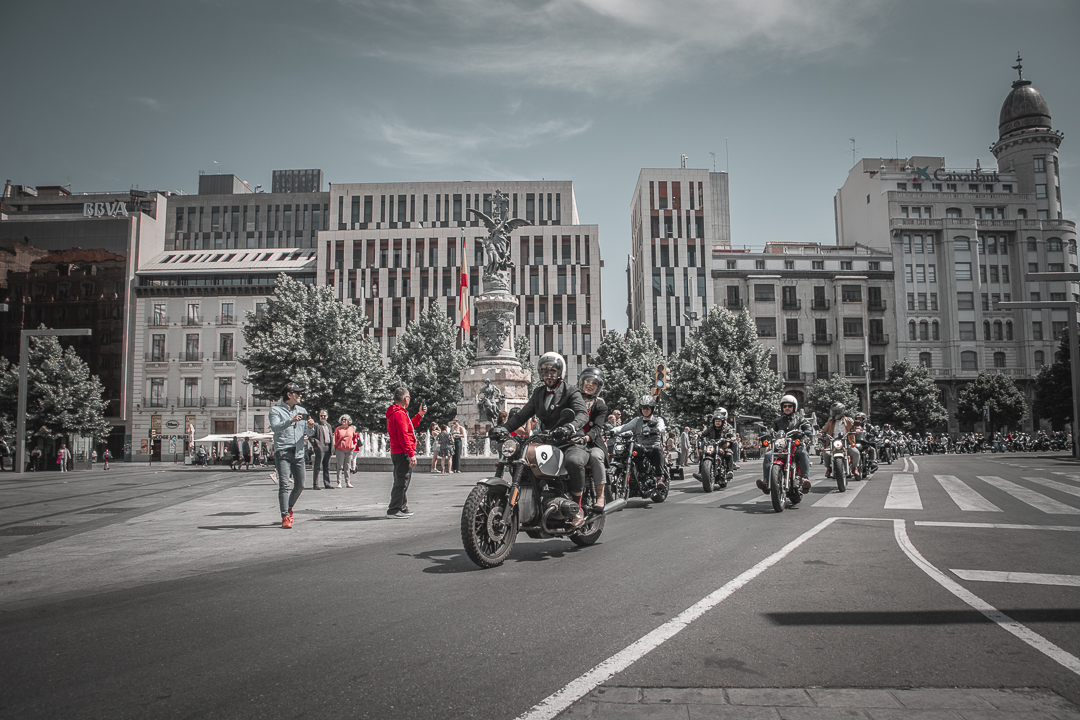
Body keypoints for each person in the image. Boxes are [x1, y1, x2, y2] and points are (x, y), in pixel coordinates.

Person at [492, 352, 590, 527]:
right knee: (524, 460)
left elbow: (582, 414)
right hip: (548, 439)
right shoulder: (538, 393)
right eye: (544, 371)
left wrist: (570, 427)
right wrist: (503, 428)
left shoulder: (571, 391)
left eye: (552, 371)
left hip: (570, 440)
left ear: (560, 372)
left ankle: (579, 507)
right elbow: (521, 416)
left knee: (574, 461)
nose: (548, 375)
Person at [269, 382, 315, 529]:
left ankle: (289, 507)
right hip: (283, 451)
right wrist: (291, 420)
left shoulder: (302, 410)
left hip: (299, 452)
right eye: (298, 393)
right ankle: (285, 516)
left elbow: (309, 434)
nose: (300, 395)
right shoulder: (275, 410)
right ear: (289, 395)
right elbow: (275, 428)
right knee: (284, 484)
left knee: (300, 484)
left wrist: (310, 427)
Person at [386, 387, 426, 518]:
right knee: (402, 481)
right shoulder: (400, 414)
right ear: (406, 399)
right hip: (402, 451)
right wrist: (411, 454)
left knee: (400, 479)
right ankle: (394, 509)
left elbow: (408, 426)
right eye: (409, 398)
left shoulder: (394, 413)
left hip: (396, 451)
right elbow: (404, 435)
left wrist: (419, 415)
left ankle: (402, 507)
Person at [611, 395, 667, 490]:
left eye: (647, 408)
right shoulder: (637, 421)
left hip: (652, 447)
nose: (645, 410)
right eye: (642, 407)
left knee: (657, 449)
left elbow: (662, 427)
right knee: (627, 449)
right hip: (641, 447)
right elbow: (624, 427)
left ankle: (659, 479)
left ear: (652, 408)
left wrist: (656, 430)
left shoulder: (658, 420)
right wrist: (612, 431)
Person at [760, 395, 812, 494]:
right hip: (781, 447)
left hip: (795, 446)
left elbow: (807, 426)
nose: (787, 408)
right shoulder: (777, 421)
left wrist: (807, 430)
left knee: (803, 453)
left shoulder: (800, 419)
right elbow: (771, 430)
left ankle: (805, 479)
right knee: (768, 455)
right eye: (785, 406)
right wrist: (767, 434)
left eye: (789, 406)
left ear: (794, 407)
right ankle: (766, 481)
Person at [576, 366, 609, 511]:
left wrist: (586, 438)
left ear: (598, 387)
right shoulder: (573, 400)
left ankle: (600, 496)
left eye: (594, 383)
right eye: (588, 381)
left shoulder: (599, 405)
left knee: (595, 456)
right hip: (573, 442)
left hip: (592, 443)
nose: (590, 385)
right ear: (582, 382)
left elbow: (597, 428)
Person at [820, 401, 861, 482]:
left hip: (846, 442)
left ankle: (854, 468)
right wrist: (821, 433)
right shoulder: (830, 421)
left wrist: (857, 429)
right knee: (826, 453)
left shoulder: (849, 420)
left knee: (855, 452)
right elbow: (824, 428)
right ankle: (829, 468)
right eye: (833, 411)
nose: (834, 413)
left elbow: (856, 426)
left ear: (841, 412)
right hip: (833, 442)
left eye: (836, 411)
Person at [696, 408, 736, 485]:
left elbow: (732, 433)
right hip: (712, 446)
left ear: (722, 422)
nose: (717, 423)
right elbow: (704, 433)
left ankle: (729, 471)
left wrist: (732, 437)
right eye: (716, 421)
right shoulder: (710, 428)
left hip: (723, 446)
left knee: (728, 454)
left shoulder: (727, 428)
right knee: (703, 453)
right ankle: (701, 472)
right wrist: (698, 435)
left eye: (719, 421)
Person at [311, 410, 333, 489]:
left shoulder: (329, 426)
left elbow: (331, 437)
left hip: (328, 447)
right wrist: (316, 445)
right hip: (320, 448)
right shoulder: (316, 425)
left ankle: (327, 483)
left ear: (327, 416)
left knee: (326, 466)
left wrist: (332, 448)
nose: (323, 417)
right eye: (321, 416)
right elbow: (311, 436)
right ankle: (316, 484)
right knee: (317, 466)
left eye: (324, 415)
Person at [333, 414, 356, 488]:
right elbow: (334, 439)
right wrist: (334, 447)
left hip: (349, 450)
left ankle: (347, 482)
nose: (343, 420)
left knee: (347, 466)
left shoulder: (351, 429)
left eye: (345, 419)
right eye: (342, 419)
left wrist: (353, 446)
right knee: (340, 466)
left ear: (348, 421)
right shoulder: (338, 429)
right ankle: (339, 482)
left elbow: (354, 438)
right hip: (340, 449)